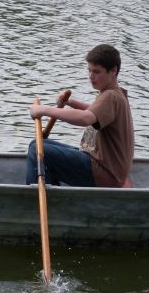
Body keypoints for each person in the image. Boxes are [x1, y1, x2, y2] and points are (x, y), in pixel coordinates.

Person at [25, 44, 134, 188]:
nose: (91, 76)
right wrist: (70, 102)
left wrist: (44, 110)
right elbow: (97, 112)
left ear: (113, 70)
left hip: (103, 172)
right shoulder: (116, 93)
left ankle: (33, 201)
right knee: (36, 144)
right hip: (104, 167)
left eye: (96, 72)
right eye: (89, 71)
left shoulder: (110, 96)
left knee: (37, 149)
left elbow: (86, 118)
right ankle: (52, 195)